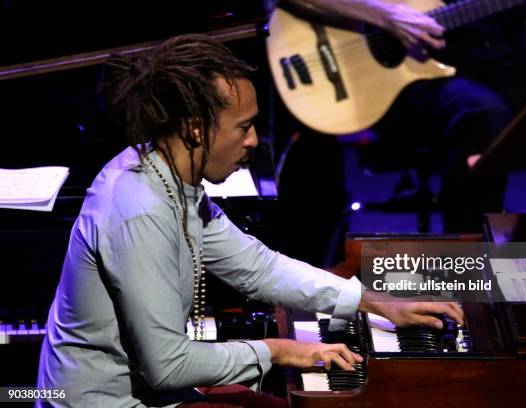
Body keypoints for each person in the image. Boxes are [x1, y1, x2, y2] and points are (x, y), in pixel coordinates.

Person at [36, 33, 464, 407]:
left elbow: (257, 266)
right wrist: (278, 351)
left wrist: (372, 301)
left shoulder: (168, 178)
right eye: (244, 127)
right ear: (196, 129)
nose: (255, 141)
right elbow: (167, 367)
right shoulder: (141, 211)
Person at [273, 0, 526, 234]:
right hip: (372, 82)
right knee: (483, 114)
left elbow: (507, 41)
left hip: (472, 73)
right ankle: (466, 272)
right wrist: (384, 14)